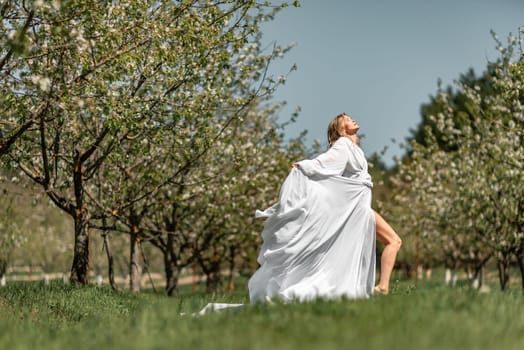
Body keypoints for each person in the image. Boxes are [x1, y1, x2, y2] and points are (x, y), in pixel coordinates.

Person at [248, 113, 401, 302]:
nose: (352, 119)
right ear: (340, 128)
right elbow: (326, 163)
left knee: (389, 242)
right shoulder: (344, 145)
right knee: (393, 240)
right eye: (347, 118)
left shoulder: (355, 149)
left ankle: (379, 288)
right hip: (356, 211)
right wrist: (304, 166)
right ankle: (381, 288)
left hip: (359, 209)